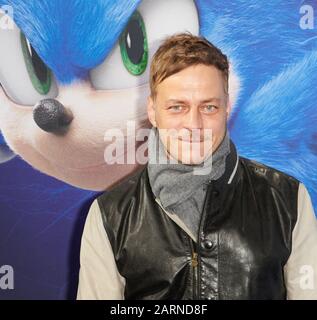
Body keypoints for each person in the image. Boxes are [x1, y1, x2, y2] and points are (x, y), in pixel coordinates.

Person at [76, 32, 317, 300]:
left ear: (226, 108)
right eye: (177, 107)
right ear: (153, 112)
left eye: (209, 107)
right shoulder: (110, 216)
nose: (194, 124)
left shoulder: (288, 199)